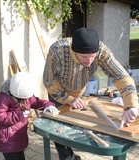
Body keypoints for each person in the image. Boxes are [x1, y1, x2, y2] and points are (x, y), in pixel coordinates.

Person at [43, 27, 139, 160]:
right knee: (60, 131)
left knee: (78, 126)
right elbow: (49, 81)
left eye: (92, 57)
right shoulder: (57, 51)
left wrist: (131, 105)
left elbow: (121, 76)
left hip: (79, 93)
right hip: (59, 93)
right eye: (83, 57)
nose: (88, 62)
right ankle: (68, 157)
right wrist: (68, 98)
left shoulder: (101, 50)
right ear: (73, 50)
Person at [0, 72, 58, 160]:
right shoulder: (3, 98)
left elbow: (35, 101)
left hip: (19, 135)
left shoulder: (25, 93)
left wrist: (48, 105)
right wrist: (19, 115)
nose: (26, 100)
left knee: (21, 156)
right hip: (8, 139)